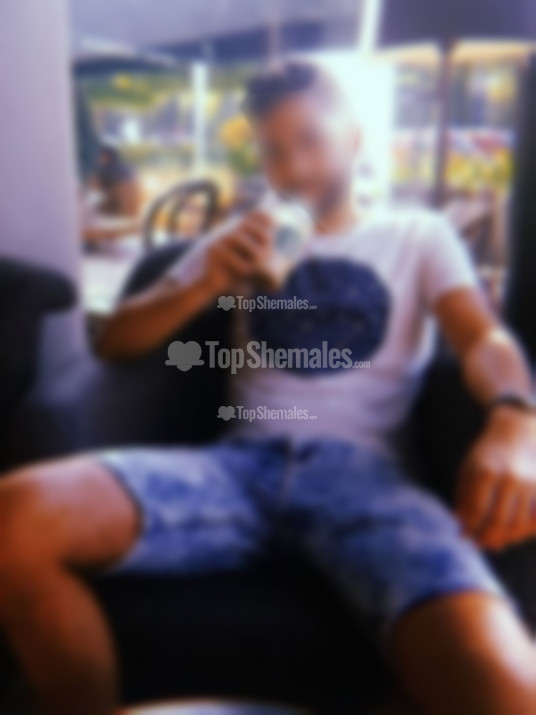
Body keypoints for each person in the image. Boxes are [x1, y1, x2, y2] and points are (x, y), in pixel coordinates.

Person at [1, 61, 536, 715]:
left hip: (367, 480)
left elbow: (483, 337)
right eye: (275, 151)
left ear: (354, 137)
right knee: (13, 521)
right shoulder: (242, 238)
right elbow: (116, 341)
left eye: (311, 140)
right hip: (236, 471)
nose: (296, 168)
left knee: (506, 686)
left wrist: (515, 416)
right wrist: (206, 283)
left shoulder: (418, 234)